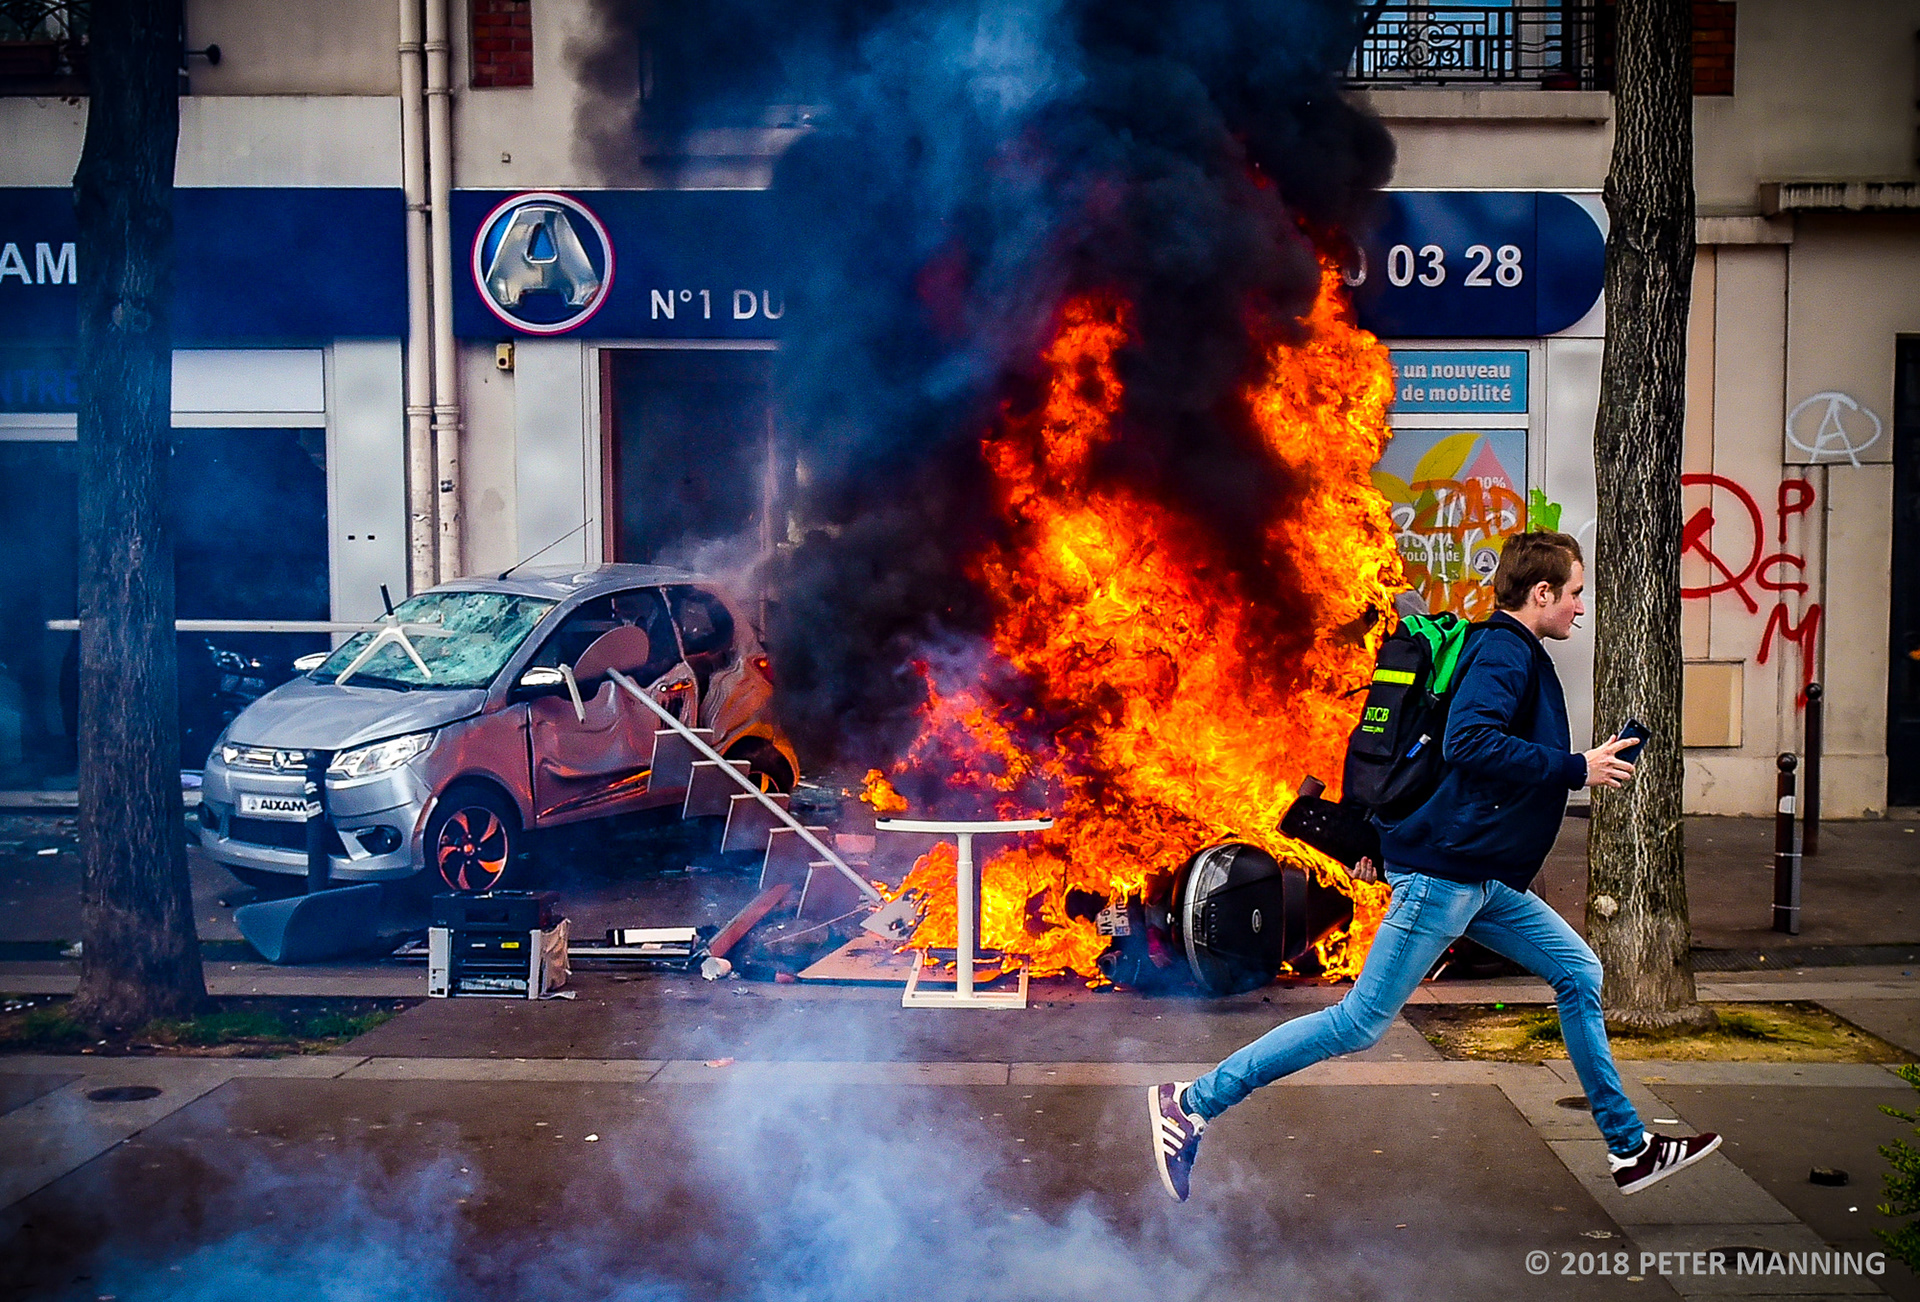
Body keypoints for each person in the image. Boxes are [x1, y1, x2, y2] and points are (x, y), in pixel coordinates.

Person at [1147, 531, 1721, 1202]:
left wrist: (1576, 765)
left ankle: (1631, 1151)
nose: (1579, 607)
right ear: (1541, 594)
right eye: (1574, 593)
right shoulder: (1506, 651)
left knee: (1578, 970)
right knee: (1357, 1024)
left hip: (1479, 881)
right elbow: (1470, 740)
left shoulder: (1505, 649)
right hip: (1445, 877)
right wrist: (1576, 768)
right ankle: (1190, 1104)